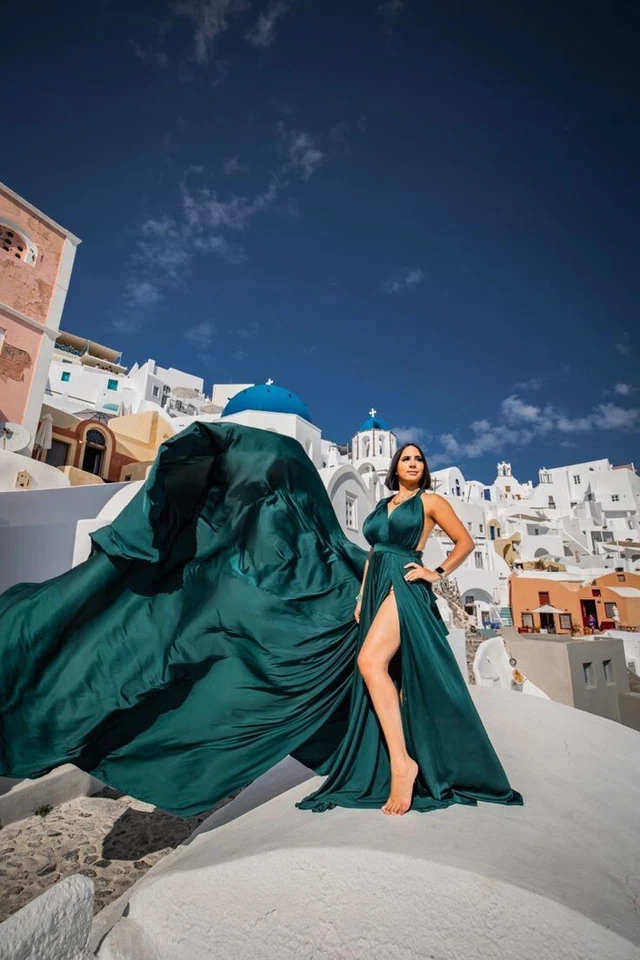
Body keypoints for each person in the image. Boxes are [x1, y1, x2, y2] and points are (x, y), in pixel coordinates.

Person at [0, 421, 522, 817]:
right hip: (376, 582)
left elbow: (467, 542)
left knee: (369, 663)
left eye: (417, 458)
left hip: (405, 585)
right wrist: (362, 597)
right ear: (394, 467)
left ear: (424, 468)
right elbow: (365, 550)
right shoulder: (385, 504)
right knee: (374, 667)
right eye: (405, 458)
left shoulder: (430, 501)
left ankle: (404, 764)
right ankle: (403, 755)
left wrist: (435, 573)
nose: (411, 462)